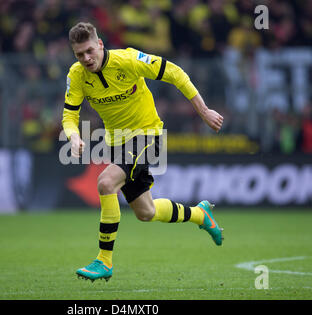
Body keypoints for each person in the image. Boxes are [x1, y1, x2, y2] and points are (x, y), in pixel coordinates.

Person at [62, 22, 224, 282]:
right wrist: (73, 136)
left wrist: (203, 110)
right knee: (145, 212)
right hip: (118, 144)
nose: (86, 59)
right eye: (79, 55)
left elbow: (174, 72)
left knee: (105, 182)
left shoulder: (128, 60)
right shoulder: (77, 75)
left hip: (148, 136)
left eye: (90, 51)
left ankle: (104, 260)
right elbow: (69, 114)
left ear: (100, 44)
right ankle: (200, 214)